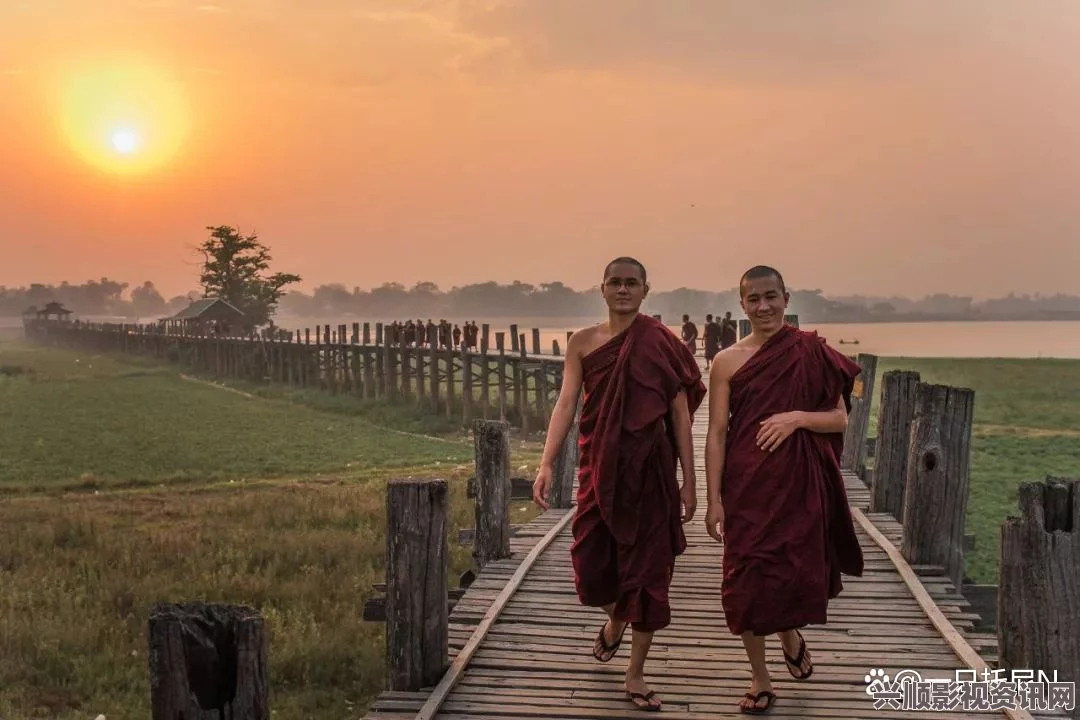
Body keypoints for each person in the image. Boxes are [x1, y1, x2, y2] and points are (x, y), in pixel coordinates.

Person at [533, 256, 706, 711]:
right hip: (599, 470)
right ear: (603, 289)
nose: (624, 290)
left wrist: (690, 483)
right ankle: (614, 622)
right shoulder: (583, 343)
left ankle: (635, 673)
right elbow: (567, 403)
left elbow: (680, 416)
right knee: (591, 568)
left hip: (650, 474)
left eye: (632, 283)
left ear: (646, 290)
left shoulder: (661, 343)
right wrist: (547, 463)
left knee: (649, 575)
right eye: (616, 283)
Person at [704, 265, 865, 714]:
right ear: (742, 305)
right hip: (746, 485)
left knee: (792, 571)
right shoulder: (727, 361)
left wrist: (795, 418)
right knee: (744, 581)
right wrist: (714, 499)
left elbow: (840, 419)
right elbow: (717, 432)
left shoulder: (811, 351)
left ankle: (790, 632)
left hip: (798, 486)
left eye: (771, 296)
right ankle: (760, 678)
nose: (764, 306)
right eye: (753, 299)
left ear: (786, 298)